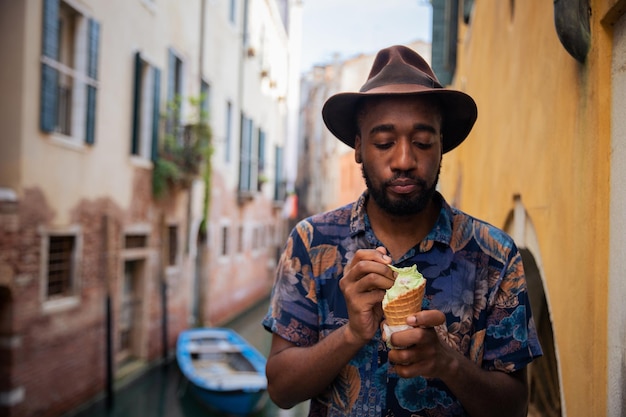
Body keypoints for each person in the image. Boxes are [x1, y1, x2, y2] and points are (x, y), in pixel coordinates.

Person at [262, 45, 542, 417]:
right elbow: (281, 390)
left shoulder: (495, 255)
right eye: (384, 143)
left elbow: (515, 407)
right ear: (359, 147)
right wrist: (351, 335)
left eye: (423, 142)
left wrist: (447, 362)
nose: (405, 161)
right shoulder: (312, 243)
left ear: (442, 145)